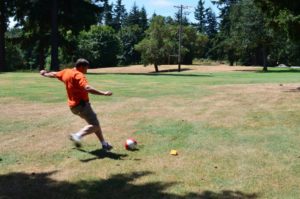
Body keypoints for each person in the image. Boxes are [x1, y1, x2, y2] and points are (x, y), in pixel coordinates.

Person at [40, 58, 113, 151]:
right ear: (81, 67)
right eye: (86, 68)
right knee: (95, 126)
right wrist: (104, 93)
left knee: (94, 124)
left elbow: (54, 74)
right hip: (82, 105)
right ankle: (77, 136)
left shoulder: (66, 72)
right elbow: (87, 88)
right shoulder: (79, 75)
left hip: (73, 107)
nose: (86, 71)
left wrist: (44, 73)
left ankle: (104, 144)